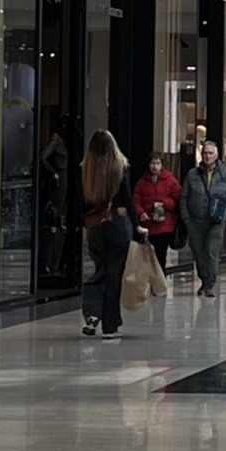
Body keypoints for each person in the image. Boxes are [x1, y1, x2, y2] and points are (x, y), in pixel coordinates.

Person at [80, 130, 145, 338]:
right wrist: (137, 226)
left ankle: (92, 312)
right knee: (114, 275)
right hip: (118, 226)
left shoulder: (86, 170)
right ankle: (110, 325)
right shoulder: (120, 168)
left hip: (95, 228)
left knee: (99, 271)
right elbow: (127, 200)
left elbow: (81, 202)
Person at [182, 140, 226, 297]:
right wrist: (186, 218)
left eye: (210, 153)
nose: (207, 156)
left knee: (212, 252)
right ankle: (204, 280)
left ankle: (209, 284)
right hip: (195, 221)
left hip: (216, 222)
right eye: (205, 153)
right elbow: (184, 198)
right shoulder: (192, 175)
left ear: (216, 155)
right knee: (199, 254)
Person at [133, 152, 182, 273]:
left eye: (158, 163)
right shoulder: (142, 183)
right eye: (152, 163)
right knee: (147, 257)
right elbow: (136, 201)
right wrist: (141, 213)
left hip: (164, 226)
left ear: (162, 165)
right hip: (148, 225)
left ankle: (160, 279)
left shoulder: (170, 181)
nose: (155, 167)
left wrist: (165, 203)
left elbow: (179, 200)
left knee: (161, 255)